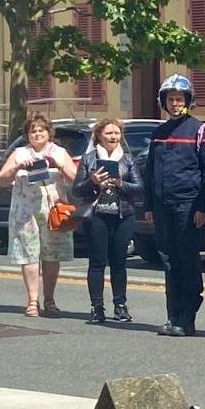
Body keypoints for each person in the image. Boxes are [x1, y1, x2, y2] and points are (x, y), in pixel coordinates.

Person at [142, 74, 205, 337]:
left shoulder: (200, 130)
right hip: (163, 207)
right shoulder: (158, 133)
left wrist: (204, 208)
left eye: (179, 99)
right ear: (163, 102)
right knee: (168, 261)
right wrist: (149, 205)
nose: (175, 104)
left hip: (188, 206)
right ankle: (173, 314)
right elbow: (150, 172)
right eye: (170, 99)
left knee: (187, 260)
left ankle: (187, 317)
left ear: (187, 101)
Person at [0, 113, 78, 317]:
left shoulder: (59, 152)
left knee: (51, 256)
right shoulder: (19, 153)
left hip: (53, 212)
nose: (37, 133)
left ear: (49, 133)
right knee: (29, 256)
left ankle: (50, 300)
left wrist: (58, 165)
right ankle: (33, 300)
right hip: (25, 214)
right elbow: (1, 180)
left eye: (41, 130)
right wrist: (17, 167)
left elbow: (77, 181)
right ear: (27, 135)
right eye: (33, 131)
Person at [73, 117, 143, 324]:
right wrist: (92, 181)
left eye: (116, 133)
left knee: (119, 262)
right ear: (99, 136)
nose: (113, 137)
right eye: (109, 133)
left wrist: (121, 184)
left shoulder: (128, 159)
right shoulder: (89, 159)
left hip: (123, 215)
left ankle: (120, 305)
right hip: (97, 216)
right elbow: (77, 190)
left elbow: (140, 188)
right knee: (97, 262)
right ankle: (97, 306)